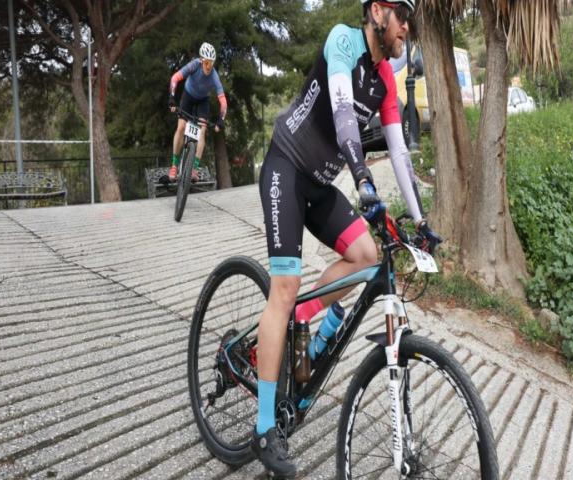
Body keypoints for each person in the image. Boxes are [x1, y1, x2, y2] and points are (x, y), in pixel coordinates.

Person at [252, 0, 440, 476]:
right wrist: (362, 179)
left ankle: (306, 324)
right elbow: (342, 115)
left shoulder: (386, 79)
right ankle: (264, 429)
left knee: (367, 254)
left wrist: (420, 221)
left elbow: (399, 152)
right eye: (402, 15)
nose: (407, 27)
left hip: (319, 185)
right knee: (285, 287)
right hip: (285, 168)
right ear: (378, 11)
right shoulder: (342, 41)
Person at [167, 42, 227, 182]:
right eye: (206, 63)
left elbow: (223, 101)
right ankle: (174, 165)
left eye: (211, 63)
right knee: (181, 127)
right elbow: (175, 78)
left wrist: (221, 120)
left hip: (203, 101)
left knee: (202, 132)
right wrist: (172, 97)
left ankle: (194, 169)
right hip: (188, 96)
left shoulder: (214, 76)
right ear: (201, 60)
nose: (208, 66)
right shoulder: (194, 65)